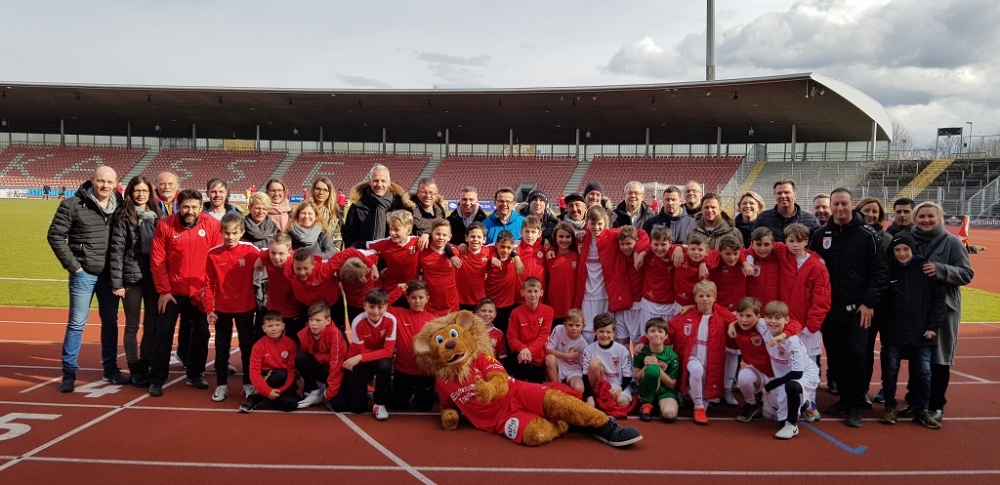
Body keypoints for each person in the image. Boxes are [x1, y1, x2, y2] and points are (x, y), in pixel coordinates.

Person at [808, 188, 888, 428]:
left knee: (856, 355)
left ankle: (854, 405)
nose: (840, 208)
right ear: (831, 206)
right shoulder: (820, 235)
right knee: (836, 357)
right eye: (836, 204)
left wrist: (869, 302)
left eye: (844, 203)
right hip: (830, 309)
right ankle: (844, 399)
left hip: (858, 310)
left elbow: (880, 272)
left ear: (852, 205)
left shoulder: (867, 235)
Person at [47, 166, 125, 392]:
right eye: (101, 181)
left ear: (116, 183)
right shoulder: (73, 205)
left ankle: (110, 369)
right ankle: (69, 372)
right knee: (76, 323)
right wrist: (75, 267)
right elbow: (55, 235)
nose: (105, 185)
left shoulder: (121, 206)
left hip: (110, 276)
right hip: (84, 274)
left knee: (110, 323)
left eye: (109, 182)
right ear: (93, 180)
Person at [148, 188, 223, 397]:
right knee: (164, 332)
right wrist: (164, 291)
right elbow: (158, 261)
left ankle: (195, 373)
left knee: (202, 332)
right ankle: (157, 378)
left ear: (201, 207)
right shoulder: (165, 226)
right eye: (185, 207)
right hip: (172, 292)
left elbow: (216, 259)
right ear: (178, 207)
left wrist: (208, 291)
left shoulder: (212, 225)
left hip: (199, 293)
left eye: (194, 207)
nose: (189, 211)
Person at [909, 201, 973, 422]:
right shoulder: (910, 240)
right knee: (916, 356)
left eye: (931, 216)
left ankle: (936, 405)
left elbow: (967, 274)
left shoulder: (952, 242)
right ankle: (915, 402)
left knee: (939, 358)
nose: (926, 220)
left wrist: (940, 269)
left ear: (940, 219)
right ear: (915, 219)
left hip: (944, 309)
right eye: (921, 216)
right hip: (916, 308)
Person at [879, 231, 944, 429]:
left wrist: (932, 327)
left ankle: (922, 409)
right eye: (897, 250)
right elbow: (881, 302)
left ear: (913, 249)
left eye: (906, 249)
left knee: (924, 372)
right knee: (890, 371)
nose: (902, 253)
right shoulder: (887, 270)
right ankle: (890, 407)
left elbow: (938, 301)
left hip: (922, 332)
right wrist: (884, 327)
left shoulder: (926, 269)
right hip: (894, 332)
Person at [109, 175, 163, 388]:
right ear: (130, 192)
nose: (140, 194)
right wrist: (117, 282)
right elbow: (117, 250)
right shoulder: (123, 215)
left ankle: (146, 363)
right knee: (132, 325)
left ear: (150, 194)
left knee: (151, 325)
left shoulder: (156, 216)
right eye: (137, 190)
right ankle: (134, 368)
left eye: (144, 191)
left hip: (153, 277)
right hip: (131, 278)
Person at [203, 213, 261, 403]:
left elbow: (271, 256)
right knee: (222, 347)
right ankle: (221, 385)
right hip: (222, 309)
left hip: (246, 307)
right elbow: (208, 283)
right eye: (227, 233)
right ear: (221, 232)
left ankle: (248, 383)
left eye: (235, 233)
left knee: (247, 346)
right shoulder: (213, 254)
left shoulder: (251, 251)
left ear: (242, 232)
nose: (230, 237)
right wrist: (209, 309)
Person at [777, 223, 831, 418]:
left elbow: (822, 299)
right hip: (786, 324)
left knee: (809, 365)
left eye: (799, 241)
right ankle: (789, 402)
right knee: (787, 362)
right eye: (791, 241)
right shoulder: (782, 255)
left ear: (807, 241)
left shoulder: (817, 266)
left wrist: (812, 326)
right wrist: (747, 259)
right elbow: (758, 246)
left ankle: (810, 402)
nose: (795, 245)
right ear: (785, 241)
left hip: (807, 326)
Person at [574, 205, 648, 343]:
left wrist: (639, 252)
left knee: (607, 334)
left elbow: (641, 234)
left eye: (600, 224)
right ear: (587, 222)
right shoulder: (582, 238)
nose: (596, 227)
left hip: (607, 295)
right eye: (593, 223)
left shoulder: (613, 235)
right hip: (587, 294)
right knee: (588, 334)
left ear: (605, 222)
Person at [667, 280, 734, 425]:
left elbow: (739, 323)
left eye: (708, 296)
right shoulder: (684, 316)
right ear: (695, 298)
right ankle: (698, 407)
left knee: (705, 397)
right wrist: (644, 341)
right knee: (696, 370)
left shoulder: (721, 317)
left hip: (711, 364)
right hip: (692, 359)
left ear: (715, 297)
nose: (705, 299)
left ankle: (691, 394)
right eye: (701, 296)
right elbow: (666, 332)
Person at [758, 301, 821, 440]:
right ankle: (804, 405)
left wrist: (770, 385)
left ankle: (792, 425)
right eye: (769, 317)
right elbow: (749, 317)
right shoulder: (763, 327)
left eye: (777, 318)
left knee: (792, 386)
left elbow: (797, 373)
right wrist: (733, 324)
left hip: (805, 375)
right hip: (784, 376)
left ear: (786, 320)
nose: (772, 321)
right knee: (776, 420)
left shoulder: (792, 342)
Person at [855, 196, 892, 404]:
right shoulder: (854, 235)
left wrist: (872, 299)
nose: (870, 214)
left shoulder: (887, 239)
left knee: (888, 350)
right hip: (861, 304)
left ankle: (887, 390)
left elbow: (884, 273)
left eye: (874, 211)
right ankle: (861, 390)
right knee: (863, 350)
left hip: (882, 304)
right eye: (866, 210)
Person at [344, 288, 397, 420]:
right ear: (364, 306)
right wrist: (360, 356)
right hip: (360, 360)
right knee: (357, 408)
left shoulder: (391, 320)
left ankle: (379, 403)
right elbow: (360, 350)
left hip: (367, 358)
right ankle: (366, 389)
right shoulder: (357, 322)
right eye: (371, 307)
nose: (375, 311)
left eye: (380, 307)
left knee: (385, 365)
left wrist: (360, 357)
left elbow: (388, 352)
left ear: (386, 307)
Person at [387, 280, 437, 411]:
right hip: (403, 371)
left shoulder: (434, 320)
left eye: (421, 297)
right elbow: (382, 305)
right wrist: (398, 290)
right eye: (413, 298)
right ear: (407, 299)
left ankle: (419, 395)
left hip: (424, 373)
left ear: (427, 299)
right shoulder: (399, 314)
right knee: (398, 406)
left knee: (425, 408)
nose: (417, 301)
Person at [239, 312, 299, 413]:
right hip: (268, 376)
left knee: (291, 405)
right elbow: (254, 372)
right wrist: (267, 391)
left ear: (283, 326)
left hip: (284, 379)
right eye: (270, 326)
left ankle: (267, 397)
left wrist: (281, 390)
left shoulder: (290, 344)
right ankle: (253, 399)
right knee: (279, 374)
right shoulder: (258, 346)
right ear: (264, 328)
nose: (274, 329)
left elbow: (292, 370)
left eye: (277, 325)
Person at [343, 164, 414, 248]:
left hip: (393, 253)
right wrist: (355, 251)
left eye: (383, 181)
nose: (379, 184)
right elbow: (349, 234)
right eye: (375, 181)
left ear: (389, 183)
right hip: (364, 252)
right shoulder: (358, 204)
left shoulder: (399, 204)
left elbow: (407, 232)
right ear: (369, 182)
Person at [295, 302, 348, 410]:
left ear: (328, 321)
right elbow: (307, 356)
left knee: (338, 406)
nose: (313, 324)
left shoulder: (335, 334)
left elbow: (336, 364)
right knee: (300, 358)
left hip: (338, 372)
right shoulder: (305, 333)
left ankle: (326, 390)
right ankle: (314, 391)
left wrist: (330, 392)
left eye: (318, 320)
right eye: (311, 320)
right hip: (322, 367)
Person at [507, 277, 554, 383]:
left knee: (536, 386)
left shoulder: (548, 311)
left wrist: (529, 350)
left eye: (536, 291)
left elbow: (544, 335)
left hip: (538, 356)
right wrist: (523, 349)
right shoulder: (515, 313)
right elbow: (511, 338)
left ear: (541, 292)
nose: (533, 294)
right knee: (523, 377)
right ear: (522, 293)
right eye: (529, 291)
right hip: (521, 355)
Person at [582, 313, 634, 410]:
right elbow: (585, 376)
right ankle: (597, 396)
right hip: (600, 386)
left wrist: (620, 388)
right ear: (594, 331)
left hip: (618, 386)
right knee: (594, 363)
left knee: (622, 402)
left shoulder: (622, 350)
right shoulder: (589, 350)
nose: (605, 335)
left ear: (613, 333)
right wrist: (589, 395)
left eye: (608, 332)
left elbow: (628, 376)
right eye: (601, 331)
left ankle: (604, 401)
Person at [633, 317, 680, 422]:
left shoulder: (672, 356)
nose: (656, 334)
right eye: (652, 331)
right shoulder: (641, 352)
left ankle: (657, 405)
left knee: (669, 414)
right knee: (652, 369)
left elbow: (672, 384)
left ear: (666, 336)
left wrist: (658, 367)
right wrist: (646, 367)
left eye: (660, 331)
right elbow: (636, 378)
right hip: (646, 389)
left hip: (665, 391)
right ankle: (646, 403)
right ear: (646, 334)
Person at [638, 226, 680, 326]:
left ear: (670, 243)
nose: (659, 248)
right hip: (648, 304)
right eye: (656, 244)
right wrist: (642, 254)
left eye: (663, 244)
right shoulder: (648, 255)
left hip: (669, 306)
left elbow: (694, 249)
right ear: (650, 244)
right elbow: (636, 237)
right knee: (647, 334)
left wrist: (679, 248)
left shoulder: (677, 255)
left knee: (667, 335)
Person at [483, 230, 523, 333]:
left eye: (508, 248)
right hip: (490, 305)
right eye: (502, 246)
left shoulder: (514, 257)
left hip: (507, 306)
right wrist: (491, 257)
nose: (505, 250)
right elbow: (481, 249)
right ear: (496, 245)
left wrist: (517, 257)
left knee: (504, 334)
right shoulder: (488, 254)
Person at [419, 219, 460, 316]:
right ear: (431, 234)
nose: (441, 237)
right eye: (438, 234)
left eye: (444, 235)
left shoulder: (455, 252)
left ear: (449, 237)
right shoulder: (423, 250)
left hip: (450, 303)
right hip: (429, 304)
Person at [544, 309, 588, 393]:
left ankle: (567, 392)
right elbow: (548, 350)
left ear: (583, 326)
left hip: (573, 369)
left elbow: (585, 368)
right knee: (549, 358)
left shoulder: (584, 345)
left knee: (579, 388)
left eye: (577, 325)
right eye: (570, 325)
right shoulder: (558, 329)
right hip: (558, 363)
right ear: (564, 325)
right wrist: (568, 356)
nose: (574, 328)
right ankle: (556, 390)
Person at [546, 222, 579, 327]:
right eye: (561, 236)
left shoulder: (577, 256)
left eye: (568, 237)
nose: (564, 240)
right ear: (555, 238)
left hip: (572, 305)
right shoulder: (549, 257)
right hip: (554, 305)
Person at [455, 222, 491, 311]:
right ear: (466, 238)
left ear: (484, 239)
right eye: (472, 236)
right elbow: (444, 244)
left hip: (481, 301)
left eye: (479, 237)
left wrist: (516, 257)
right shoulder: (459, 252)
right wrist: (427, 235)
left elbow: (508, 246)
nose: (475, 239)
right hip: (461, 300)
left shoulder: (490, 251)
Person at [514, 216, 547, 304]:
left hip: (538, 298)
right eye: (527, 231)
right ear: (521, 232)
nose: (529, 235)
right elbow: (496, 246)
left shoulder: (545, 248)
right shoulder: (515, 248)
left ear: (539, 233)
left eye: (533, 232)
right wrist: (516, 257)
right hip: (519, 298)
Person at [308, 177, 344, 250]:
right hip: (307, 251)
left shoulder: (336, 212)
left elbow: (338, 237)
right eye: (318, 189)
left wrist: (335, 252)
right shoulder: (305, 209)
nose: (321, 192)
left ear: (329, 192)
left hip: (329, 252)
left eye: (325, 190)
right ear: (313, 190)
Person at [409, 177, 446, 241]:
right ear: (417, 193)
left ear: (436, 194)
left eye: (431, 192)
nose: (428, 196)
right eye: (424, 192)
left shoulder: (441, 211)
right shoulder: (408, 209)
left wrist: (428, 233)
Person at [477, 298, 509, 369]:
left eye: (490, 311)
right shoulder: (470, 331)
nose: (487, 314)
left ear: (495, 314)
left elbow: (502, 357)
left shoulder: (499, 334)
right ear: (477, 312)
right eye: (483, 311)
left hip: (491, 367)